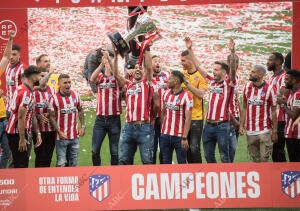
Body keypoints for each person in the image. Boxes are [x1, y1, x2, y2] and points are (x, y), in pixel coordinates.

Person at [185, 37, 238, 163]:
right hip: (208, 126)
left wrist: (232, 52)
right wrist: (190, 49)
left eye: (216, 70)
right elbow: (198, 66)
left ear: (224, 72)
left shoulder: (229, 83)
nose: (213, 72)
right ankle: (215, 179)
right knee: (208, 156)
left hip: (222, 126)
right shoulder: (212, 82)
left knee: (225, 157)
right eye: (213, 69)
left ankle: (227, 180)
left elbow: (233, 70)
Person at [113, 46, 160, 165]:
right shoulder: (128, 84)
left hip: (144, 127)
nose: (138, 69)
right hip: (128, 127)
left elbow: (149, 67)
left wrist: (147, 48)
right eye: (135, 68)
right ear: (132, 72)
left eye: (140, 68)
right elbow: (115, 74)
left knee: (147, 161)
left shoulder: (148, 83)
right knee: (123, 161)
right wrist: (115, 56)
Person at [239, 65, 278, 162]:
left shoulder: (269, 89)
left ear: (260, 74)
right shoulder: (247, 87)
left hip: (264, 131)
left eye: (253, 72)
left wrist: (274, 131)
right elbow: (244, 108)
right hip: (250, 131)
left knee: (264, 160)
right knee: (255, 160)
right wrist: (241, 126)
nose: (250, 73)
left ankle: (267, 177)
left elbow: (274, 111)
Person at [90, 49, 122, 166]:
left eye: (110, 62)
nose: (108, 64)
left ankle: (114, 174)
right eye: (107, 62)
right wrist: (101, 64)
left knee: (114, 151)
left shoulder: (117, 78)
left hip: (114, 119)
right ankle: (97, 171)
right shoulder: (100, 77)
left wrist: (109, 59)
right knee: (95, 150)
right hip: (100, 119)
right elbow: (92, 79)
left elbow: (118, 74)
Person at [6, 65, 42, 168]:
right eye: (39, 76)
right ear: (33, 77)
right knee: (20, 165)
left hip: (15, 130)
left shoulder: (22, 88)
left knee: (19, 163)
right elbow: (21, 117)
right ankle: (17, 184)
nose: (40, 79)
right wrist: (22, 138)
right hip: (18, 132)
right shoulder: (26, 93)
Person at [48, 74, 85, 167]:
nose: (68, 85)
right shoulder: (54, 98)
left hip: (74, 136)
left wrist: (83, 126)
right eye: (65, 83)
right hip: (61, 137)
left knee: (74, 163)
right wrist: (59, 131)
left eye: (69, 82)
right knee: (61, 163)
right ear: (59, 84)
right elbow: (51, 117)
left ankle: (74, 181)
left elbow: (80, 110)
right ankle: (62, 181)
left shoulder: (76, 95)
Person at [181, 47, 208, 164]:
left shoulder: (200, 76)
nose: (181, 63)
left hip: (196, 118)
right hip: (183, 117)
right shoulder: (182, 74)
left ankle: (198, 172)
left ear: (190, 61)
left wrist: (187, 83)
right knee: (185, 147)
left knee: (194, 147)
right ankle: (190, 171)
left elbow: (201, 94)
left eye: (183, 60)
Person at [160, 70, 193, 164]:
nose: (167, 81)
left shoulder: (187, 96)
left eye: (169, 79)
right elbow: (163, 112)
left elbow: (188, 119)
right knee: (165, 163)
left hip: (179, 137)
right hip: (165, 135)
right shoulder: (166, 93)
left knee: (182, 163)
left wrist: (184, 137)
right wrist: (163, 130)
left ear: (176, 81)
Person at [32, 67, 56, 167]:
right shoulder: (33, 91)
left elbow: (56, 107)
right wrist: (38, 116)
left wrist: (49, 114)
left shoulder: (53, 90)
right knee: (40, 156)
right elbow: (28, 110)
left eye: (46, 76)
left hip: (51, 129)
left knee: (48, 157)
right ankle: (37, 179)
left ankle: (44, 180)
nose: (44, 78)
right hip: (37, 130)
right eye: (42, 76)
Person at [266, 52, 287, 162]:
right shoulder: (271, 78)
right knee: (272, 152)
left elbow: (282, 97)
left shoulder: (284, 77)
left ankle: (281, 177)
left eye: (270, 60)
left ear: (278, 62)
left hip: (280, 120)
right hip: (270, 119)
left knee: (278, 151)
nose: (267, 62)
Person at [277, 69, 300, 162]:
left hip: (296, 135)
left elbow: (294, 115)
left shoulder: (298, 94)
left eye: (286, 79)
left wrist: (283, 105)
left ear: (294, 80)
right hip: (290, 134)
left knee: (296, 162)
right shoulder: (292, 93)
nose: (284, 82)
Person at [0, 31, 14, 168]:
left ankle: (3, 179)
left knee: (6, 151)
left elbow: (5, 57)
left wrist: (10, 39)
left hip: (3, 118)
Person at [152, 55, 169, 164]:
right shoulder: (147, 76)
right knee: (152, 146)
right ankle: (152, 169)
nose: (158, 63)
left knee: (164, 146)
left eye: (159, 61)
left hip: (165, 117)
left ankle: (163, 169)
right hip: (152, 117)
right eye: (155, 61)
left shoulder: (167, 75)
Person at [5, 43, 27, 113]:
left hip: (18, 107)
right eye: (10, 54)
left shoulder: (23, 69)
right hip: (8, 106)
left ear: (19, 54)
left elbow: (27, 89)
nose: (11, 57)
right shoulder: (8, 65)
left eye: (14, 54)